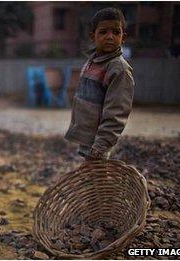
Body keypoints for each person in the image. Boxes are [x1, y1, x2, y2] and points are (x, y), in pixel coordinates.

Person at [65, 7, 135, 160]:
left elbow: (116, 113)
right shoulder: (93, 62)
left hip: (98, 141)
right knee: (92, 177)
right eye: (103, 32)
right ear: (93, 36)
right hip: (88, 138)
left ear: (123, 37)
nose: (110, 37)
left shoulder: (119, 69)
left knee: (99, 178)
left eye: (116, 32)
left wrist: (101, 145)